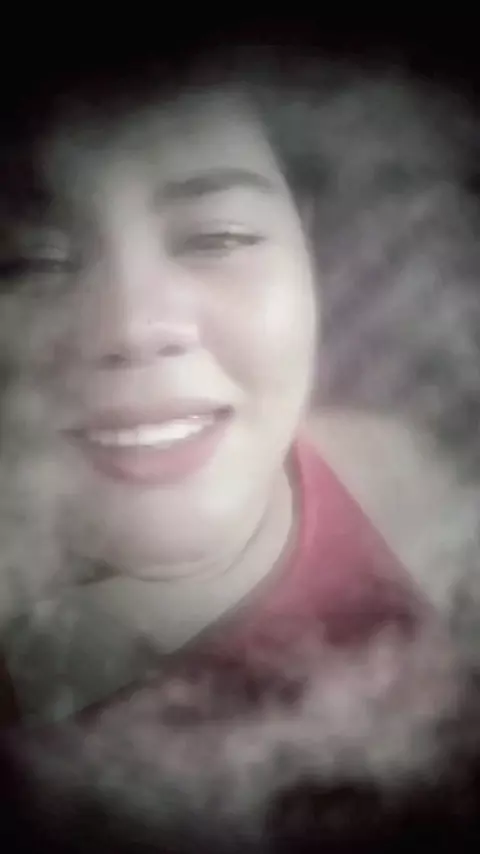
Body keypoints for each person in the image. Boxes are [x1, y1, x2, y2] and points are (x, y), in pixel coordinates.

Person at [1, 49, 479, 850]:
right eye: (24, 258)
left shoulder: (404, 486)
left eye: (217, 236)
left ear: (308, 258)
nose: (130, 327)